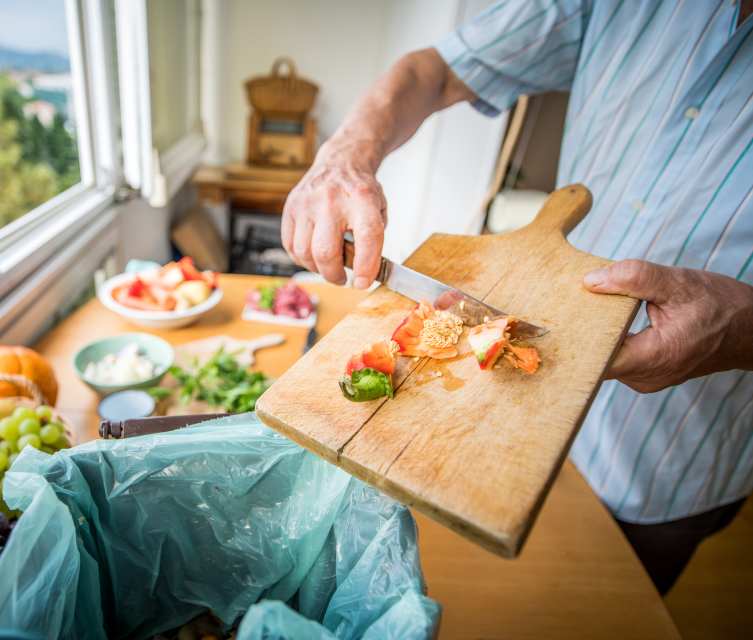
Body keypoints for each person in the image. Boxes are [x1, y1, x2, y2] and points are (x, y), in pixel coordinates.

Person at [282, 0, 753, 595]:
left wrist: (743, 327)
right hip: (495, 438)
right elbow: (434, 69)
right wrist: (343, 152)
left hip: (665, 457)